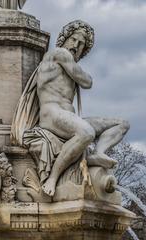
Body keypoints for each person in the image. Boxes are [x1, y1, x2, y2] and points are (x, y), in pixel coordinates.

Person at [11, 20, 130, 197]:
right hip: (51, 115)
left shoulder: (68, 63)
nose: (76, 45)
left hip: (68, 118)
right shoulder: (59, 54)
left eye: (81, 44)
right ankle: (52, 178)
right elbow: (87, 81)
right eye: (73, 39)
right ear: (64, 38)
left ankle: (98, 153)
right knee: (87, 132)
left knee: (122, 124)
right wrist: (79, 71)